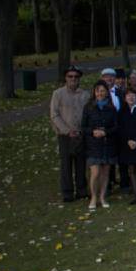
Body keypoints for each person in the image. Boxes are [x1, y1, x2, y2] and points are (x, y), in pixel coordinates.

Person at [50, 65, 90, 202]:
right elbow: (54, 115)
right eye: (70, 76)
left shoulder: (85, 94)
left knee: (81, 164)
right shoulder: (58, 94)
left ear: (79, 78)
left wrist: (83, 131)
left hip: (80, 134)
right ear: (66, 78)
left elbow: (89, 114)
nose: (73, 79)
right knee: (66, 165)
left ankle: (81, 190)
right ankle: (67, 193)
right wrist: (67, 131)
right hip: (65, 135)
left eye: (76, 76)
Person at [81, 81, 118, 211]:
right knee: (95, 172)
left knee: (105, 172)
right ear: (94, 92)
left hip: (107, 143)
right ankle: (93, 197)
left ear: (106, 92)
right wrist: (93, 132)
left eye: (102, 90)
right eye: (98, 91)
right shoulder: (88, 107)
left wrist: (105, 132)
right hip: (93, 144)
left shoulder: (111, 108)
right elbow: (83, 127)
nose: (100, 93)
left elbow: (115, 127)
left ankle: (103, 197)